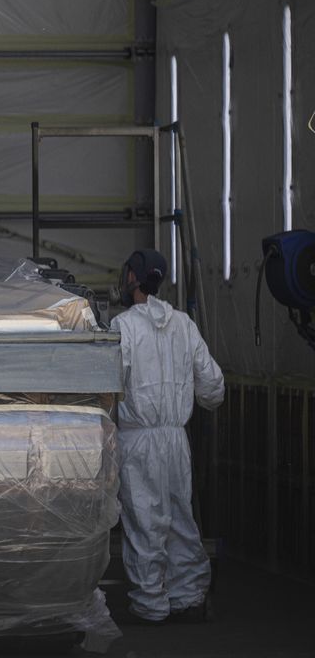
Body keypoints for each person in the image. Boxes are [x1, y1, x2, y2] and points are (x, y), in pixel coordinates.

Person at [112, 248, 224, 624]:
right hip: (176, 439)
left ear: (133, 278)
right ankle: (188, 595)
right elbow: (213, 387)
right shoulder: (184, 324)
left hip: (138, 439)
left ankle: (151, 604)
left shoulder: (123, 326)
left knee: (145, 521)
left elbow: (110, 387)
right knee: (179, 517)